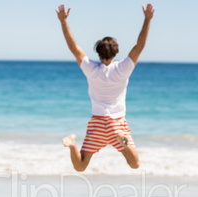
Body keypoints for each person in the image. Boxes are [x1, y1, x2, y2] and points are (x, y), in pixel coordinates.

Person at [56, 4, 155, 172]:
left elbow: (74, 48)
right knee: (134, 163)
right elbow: (139, 46)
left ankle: (72, 145)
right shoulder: (123, 68)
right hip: (117, 123)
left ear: (98, 54)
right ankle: (122, 140)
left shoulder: (91, 69)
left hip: (98, 124)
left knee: (80, 166)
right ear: (115, 53)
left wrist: (63, 21)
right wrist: (147, 19)